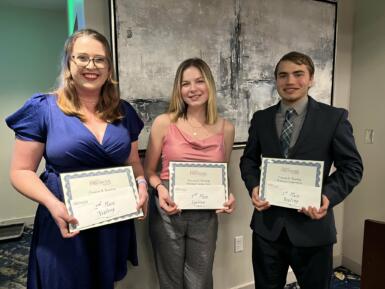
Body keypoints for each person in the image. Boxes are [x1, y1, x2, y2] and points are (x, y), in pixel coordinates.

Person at [5, 29, 148, 289]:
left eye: (100, 59)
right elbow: (21, 171)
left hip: (109, 220)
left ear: (108, 67)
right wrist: (52, 203)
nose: (91, 66)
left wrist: (141, 185)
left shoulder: (123, 111)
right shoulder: (44, 108)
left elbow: (133, 163)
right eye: (82, 58)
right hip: (64, 217)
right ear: (69, 63)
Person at [239, 51, 363, 289]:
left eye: (298, 74)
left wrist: (326, 196)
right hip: (268, 228)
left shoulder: (333, 118)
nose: (290, 81)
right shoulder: (261, 119)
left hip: (313, 228)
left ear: (311, 78)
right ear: (276, 80)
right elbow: (248, 161)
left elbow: (352, 167)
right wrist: (254, 186)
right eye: (283, 75)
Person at [144, 58, 235, 289]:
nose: (192, 89)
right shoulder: (164, 123)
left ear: (209, 86)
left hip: (205, 216)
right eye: (185, 84)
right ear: (179, 89)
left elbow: (221, 175)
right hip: (167, 211)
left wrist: (228, 196)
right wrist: (160, 189)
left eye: (199, 81)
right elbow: (149, 171)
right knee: (170, 281)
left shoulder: (226, 128)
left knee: (200, 282)